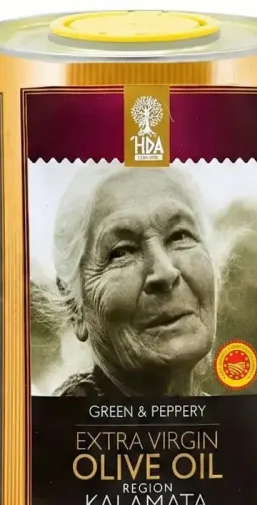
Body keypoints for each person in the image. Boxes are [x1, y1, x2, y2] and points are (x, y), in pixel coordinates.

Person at [50, 165, 217, 397]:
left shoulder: (226, 416)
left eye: (180, 235)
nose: (165, 272)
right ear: (74, 309)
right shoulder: (60, 419)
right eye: (122, 252)